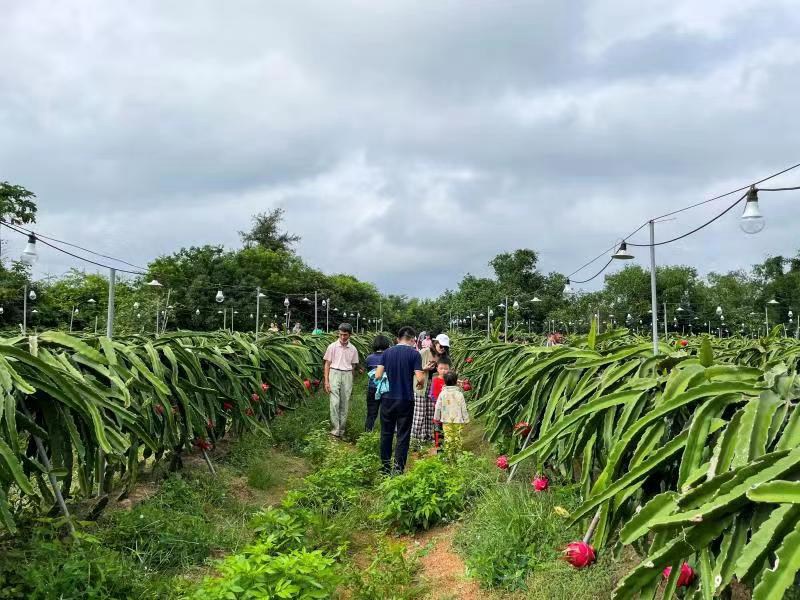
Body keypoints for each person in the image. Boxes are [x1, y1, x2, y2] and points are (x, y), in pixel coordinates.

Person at [373, 326, 424, 474]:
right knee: (403, 434)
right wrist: (419, 383)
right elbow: (420, 377)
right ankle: (398, 469)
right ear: (413, 339)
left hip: (387, 398)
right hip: (405, 399)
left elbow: (377, 375)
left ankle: (385, 468)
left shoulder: (387, 352)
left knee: (386, 433)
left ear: (398, 339)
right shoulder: (415, 354)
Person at [323, 323, 361, 438]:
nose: (343, 337)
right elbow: (327, 364)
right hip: (334, 372)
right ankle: (335, 429)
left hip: (347, 374)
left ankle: (342, 430)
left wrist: (351, 381)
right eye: (341, 334)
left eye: (345, 335)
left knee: (345, 403)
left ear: (350, 335)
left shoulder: (353, 349)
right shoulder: (332, 346)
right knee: (334, 402)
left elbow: (353, 366)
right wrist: (326, 381)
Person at [411, 333, 450, 443]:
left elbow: (448, 371)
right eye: (441, 346)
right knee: (419, 413)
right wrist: (425, 368)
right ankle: (415, 439)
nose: (443, 349)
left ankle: (429, 437)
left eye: (445, 347)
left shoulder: (444, 357)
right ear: (435, 343)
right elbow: (413, 369)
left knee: (431, 412)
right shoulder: (424, 352)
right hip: (421, 385)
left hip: (435, 386)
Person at [433, 371, 470, 462]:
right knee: (457, 437)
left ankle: (449, 456)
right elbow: (463, 408)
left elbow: (438, 407)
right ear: (456, 381)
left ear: (445, 382)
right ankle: (458, 455)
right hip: (458, 420)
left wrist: (436, 418)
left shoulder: (442, 394)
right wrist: (466, 419)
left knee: (448, 438)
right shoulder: (459, 394)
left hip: (446, 420)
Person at [364, 334, 391, 431]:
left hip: (372, 388)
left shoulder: (369, 358)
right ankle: (385, 433)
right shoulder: (389, 357)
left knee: (371, 413)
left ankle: (367, 433)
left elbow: (368, 371)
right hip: (386, 389)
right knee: (386, 413)